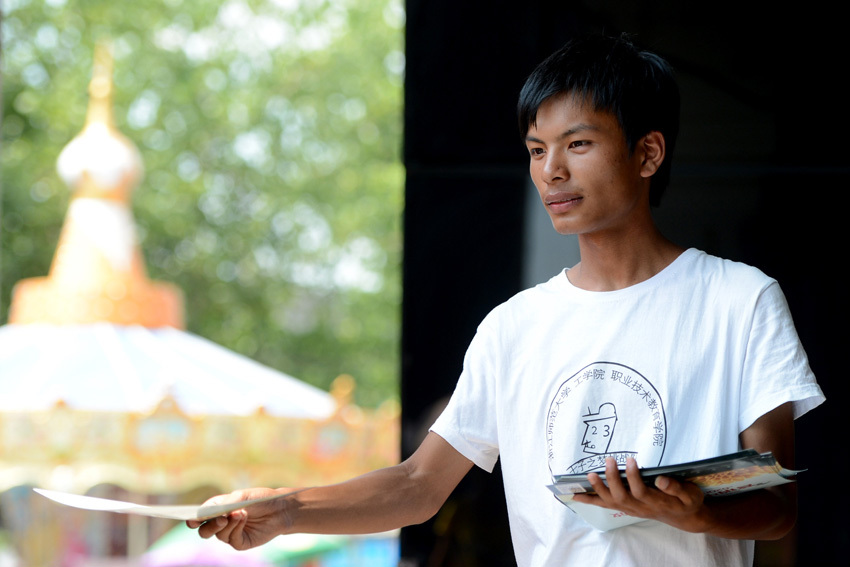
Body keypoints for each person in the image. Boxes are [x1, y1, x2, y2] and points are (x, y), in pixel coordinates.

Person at [189, 34, 824, 567]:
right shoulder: (514, 327)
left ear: (647, 153)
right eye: (536, 150)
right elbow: (418, 486)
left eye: (578, 144)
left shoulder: (739, 300)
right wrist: (288, 510)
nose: (551, 171)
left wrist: (688, 510)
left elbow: (774, 507)